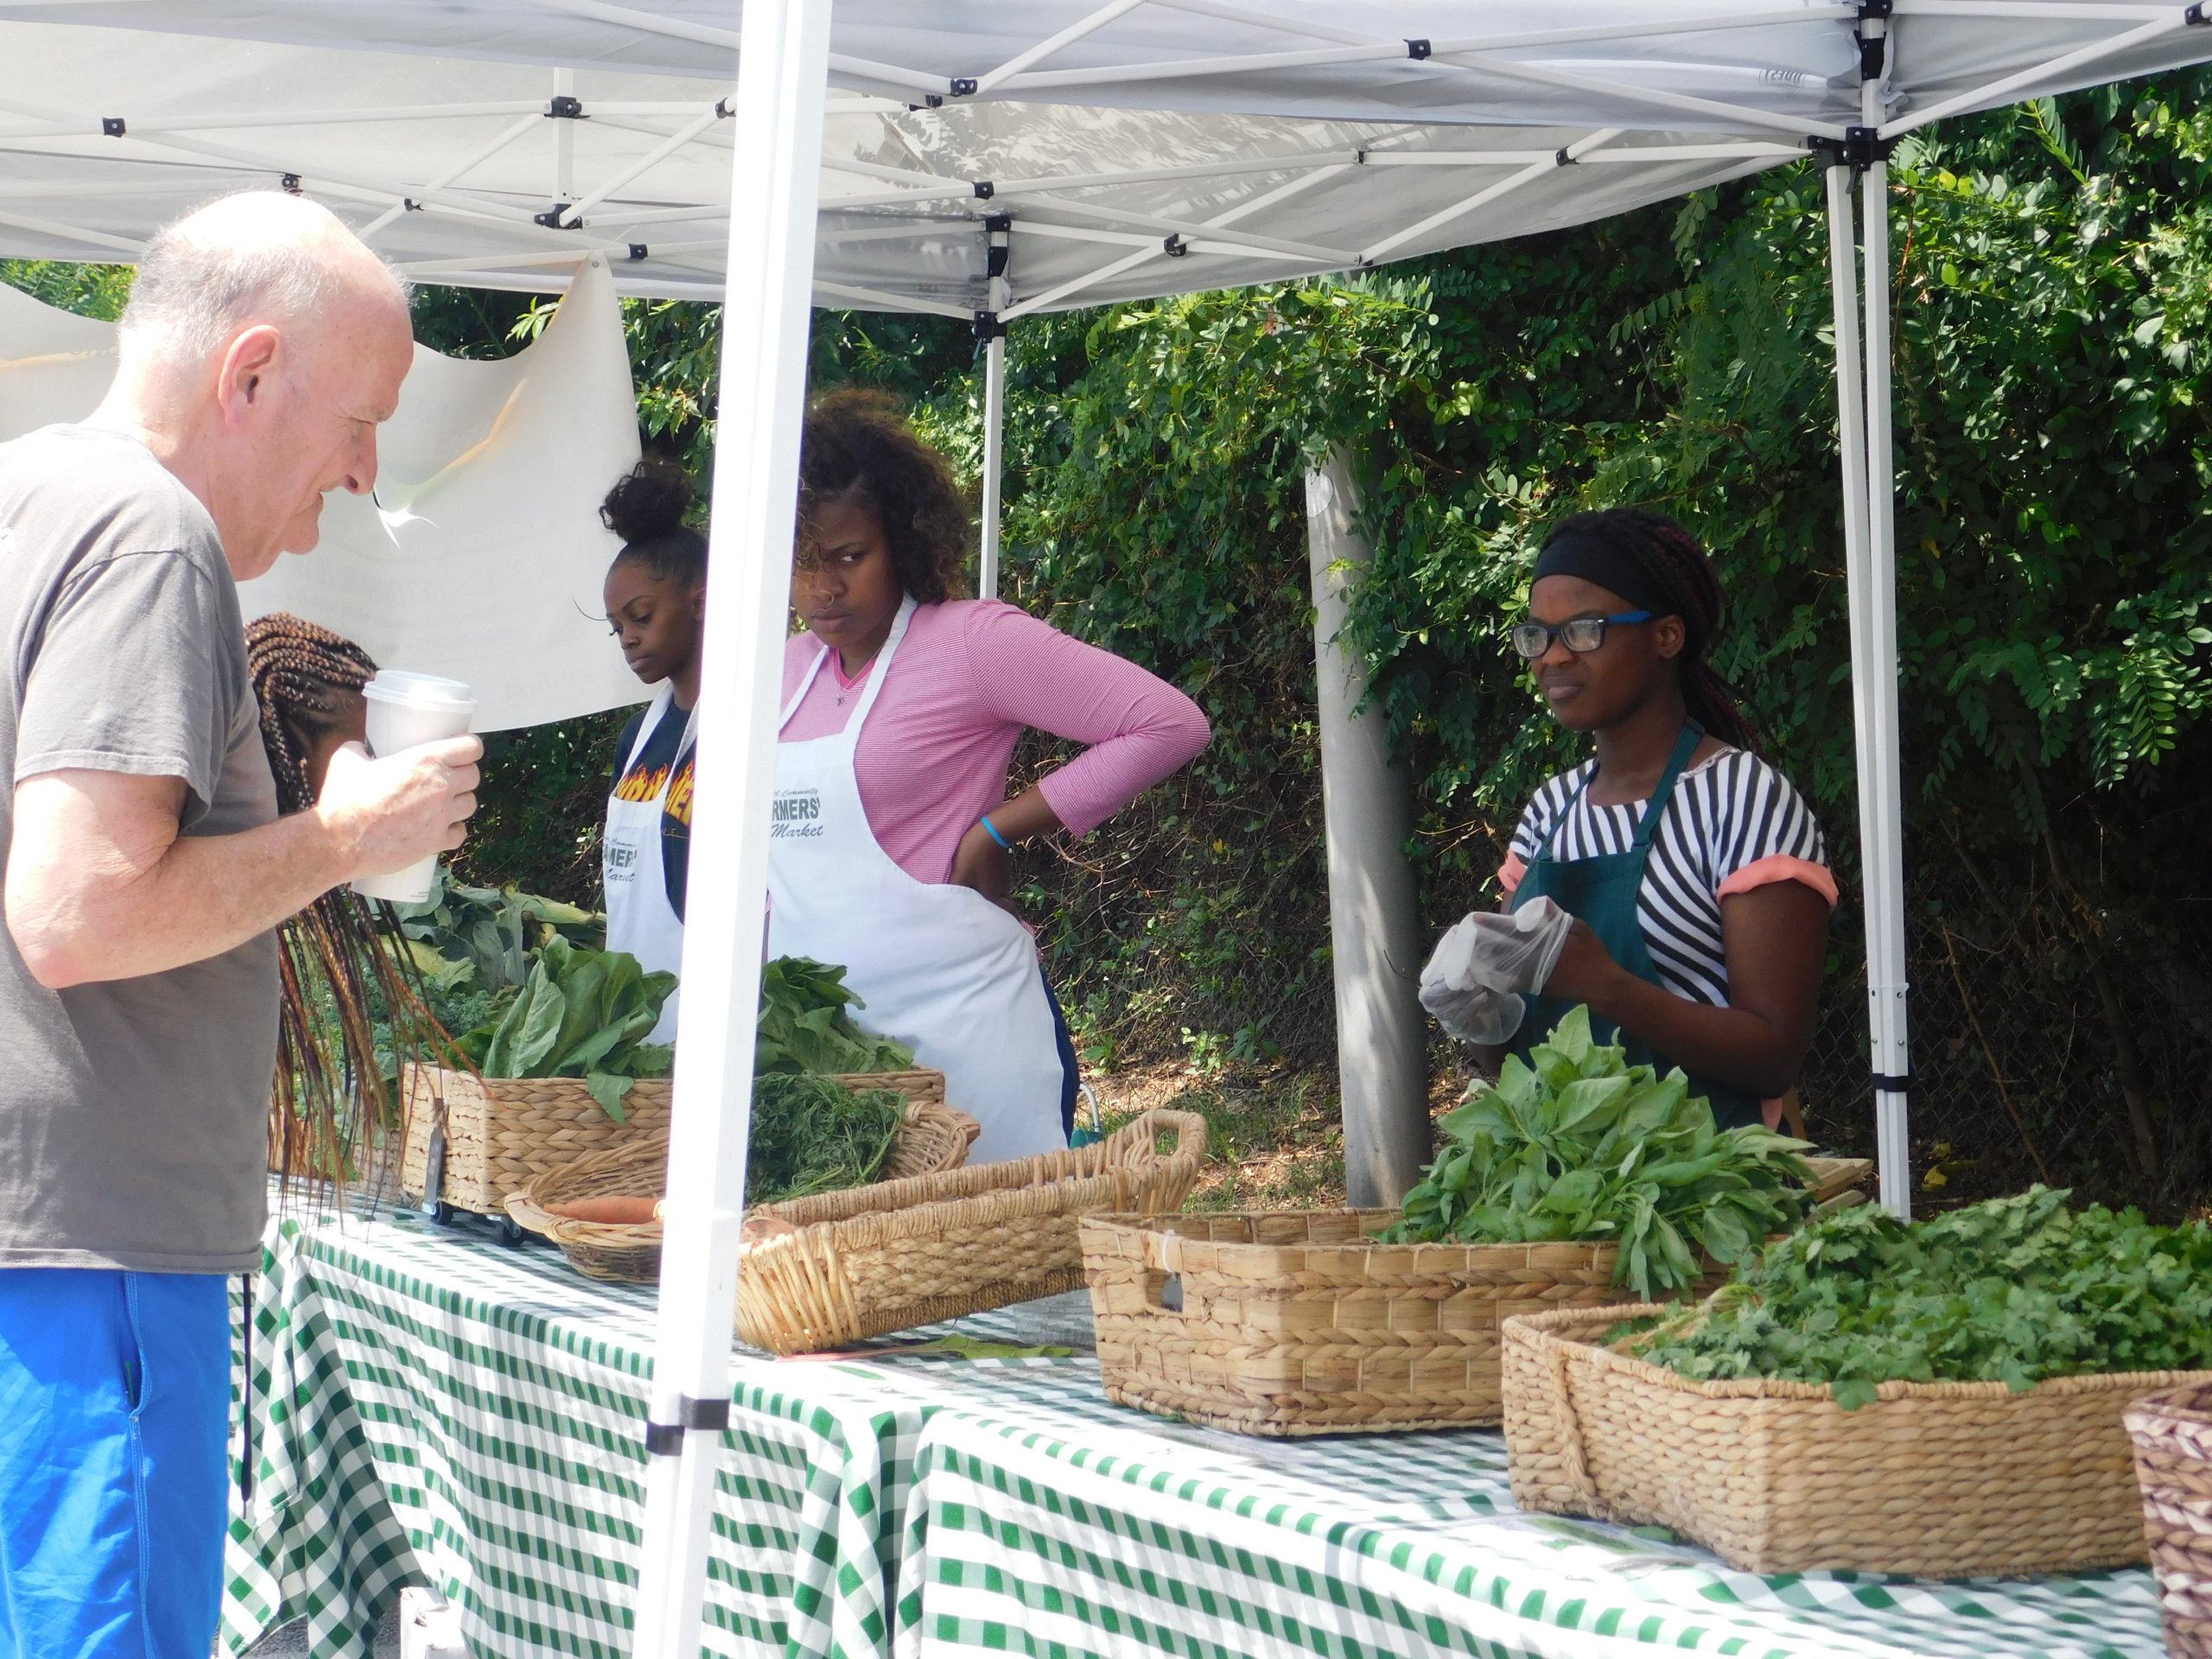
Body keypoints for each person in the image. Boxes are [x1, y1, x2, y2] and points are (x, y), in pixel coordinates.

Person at [0, 194, 480, 1659]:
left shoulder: (28, 486)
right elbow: (74, 911)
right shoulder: (154, 536)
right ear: (253, 370)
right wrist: (352, 837)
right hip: (98, 1258)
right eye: (361, 418)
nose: (366, 469)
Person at [769, 390, 1211, 1163]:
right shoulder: (784, 673)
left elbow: (1168, 723)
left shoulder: (970, 642)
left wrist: (997, 829)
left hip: (967, 1040)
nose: (823, 588)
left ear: (900, 540)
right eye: (803, 562)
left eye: (848, 557)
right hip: (828, 1058)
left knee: (997, 1266)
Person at [1492, 507, 1834, 1128]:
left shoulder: (1741, 800)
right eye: (1538, 636)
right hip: (1559, 1195)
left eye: (1584, 630)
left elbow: (1775, 1057)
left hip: (1710, 1194)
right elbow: (1513, 1058)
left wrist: (1608, 986)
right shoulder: (1548, 813)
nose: (1553, 658)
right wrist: (1478, 1013)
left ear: (1666, 637)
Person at [600, 456, 704, 1045]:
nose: (629, 638)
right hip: (635, 1032)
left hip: (721, 1029)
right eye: (617, 627)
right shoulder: (637, 742)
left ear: (700, 601)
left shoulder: (756, 729)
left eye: (641, 617)